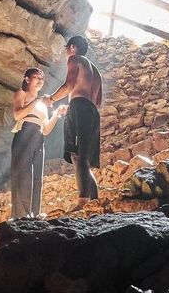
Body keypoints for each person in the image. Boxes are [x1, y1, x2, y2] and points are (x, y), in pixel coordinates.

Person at [43, 35, 102, 209]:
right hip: (92, 111)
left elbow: (69, 86)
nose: (65, 53)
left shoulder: (75, 60)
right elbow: (98, 101)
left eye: (66, 49)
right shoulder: (96, 71)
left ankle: (82, 201)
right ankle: (94, 201)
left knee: (77, 155)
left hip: (80, 107)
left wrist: (51, 99)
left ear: (72, 48)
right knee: (85, 158)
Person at [11, 67, 66, 219]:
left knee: (37, 175)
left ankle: (34, 212)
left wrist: (56, 113)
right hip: (24, 133)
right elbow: (17, 115)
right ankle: (21, 215)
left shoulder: (42, 103)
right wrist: (35, 101)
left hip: (38, 135)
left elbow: (46, 129)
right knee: (24, 173)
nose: (40, 81)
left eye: (42, 79)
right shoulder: (21, 94)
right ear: (27, 79)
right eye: (36, 77)